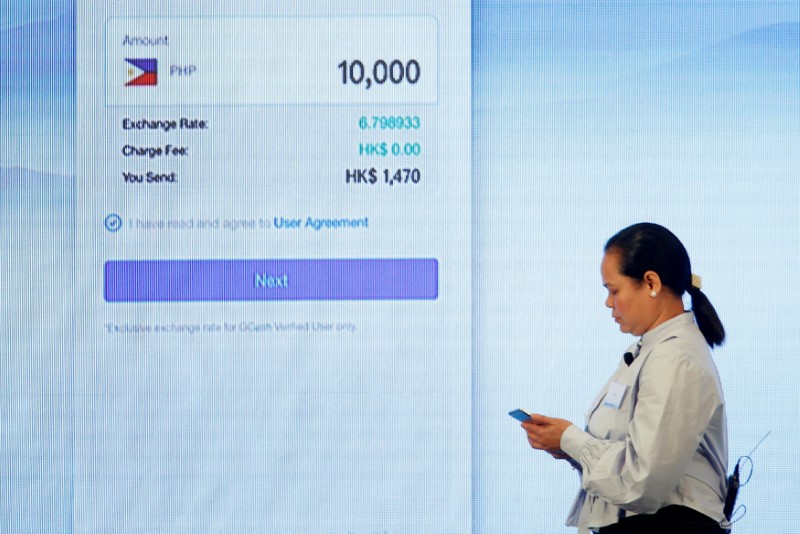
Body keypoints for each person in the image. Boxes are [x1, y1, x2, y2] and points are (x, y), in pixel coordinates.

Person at [521, 222, 729, 534]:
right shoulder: (651, 351)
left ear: (650, 283)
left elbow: (641, 481)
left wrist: (571, 439)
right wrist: (573, 447)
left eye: (613, 290)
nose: (608, 302)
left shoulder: (675, 358)